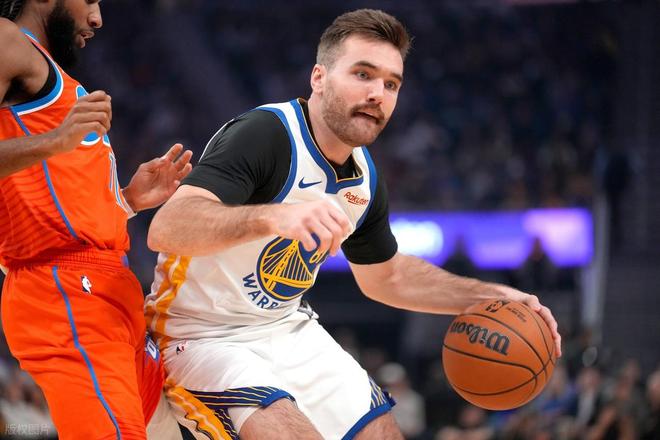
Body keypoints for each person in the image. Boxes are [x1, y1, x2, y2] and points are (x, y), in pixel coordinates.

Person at [145, 9, 562, 440]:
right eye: (363, 74)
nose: (377, 93)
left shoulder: (365, 177)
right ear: (319, 78)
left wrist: (488, 295)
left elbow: (387, 277)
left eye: (391, 84)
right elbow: (168, 227)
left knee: (382, 432)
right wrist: (275, 215)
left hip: (284, 327)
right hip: (198, 333)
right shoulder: (266, 134)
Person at [0, 0, 191, 438]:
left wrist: (126, 200)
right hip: (64, 289)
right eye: (89, 0)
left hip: (110, 286)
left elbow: (58, 198)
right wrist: (55, 140)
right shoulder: (7, 40)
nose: (97, 18)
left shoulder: (53, 76)